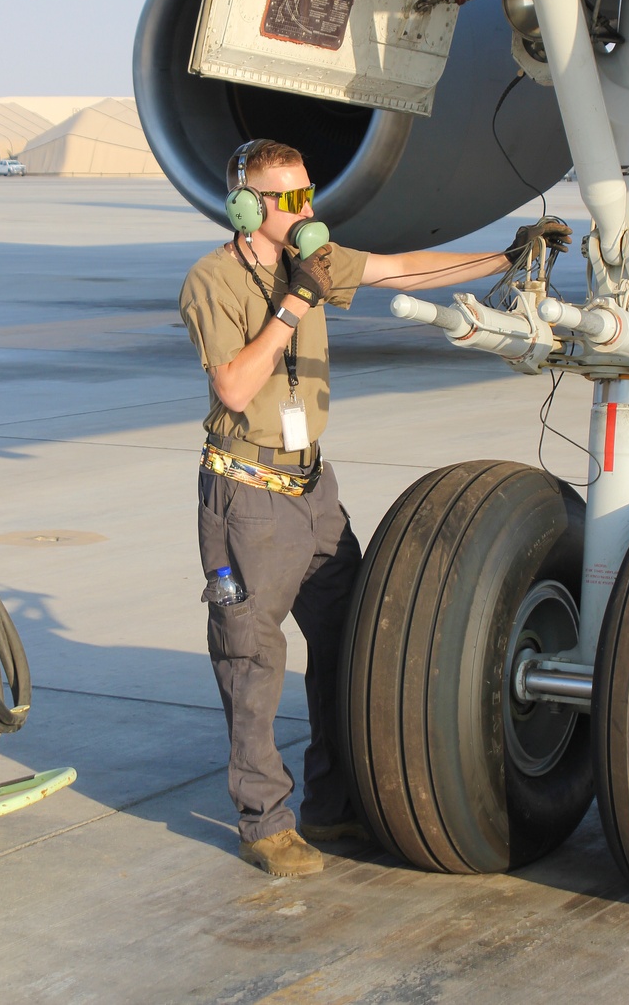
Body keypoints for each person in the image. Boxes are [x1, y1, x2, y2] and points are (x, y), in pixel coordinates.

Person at [178, 138, 570, 877]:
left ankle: (332, 803)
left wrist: (503, 260)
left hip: (312, 489)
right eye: (287, 200)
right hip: (248, 498)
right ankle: (264, 822)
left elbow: (401, 267)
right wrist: (295, 302)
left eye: (308, 194)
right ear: (244, 206)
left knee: (345, 640)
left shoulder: (316, 263)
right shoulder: (213, 282)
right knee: (251, 661)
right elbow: (234, 386)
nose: (305, 211)